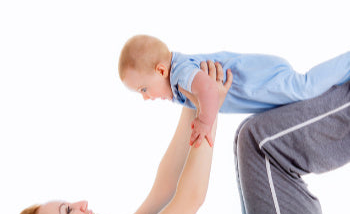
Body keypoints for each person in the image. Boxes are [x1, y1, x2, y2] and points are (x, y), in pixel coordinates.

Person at [15, 61, 348, 214]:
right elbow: (189, 199)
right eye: (68, 210)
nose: (82, 203)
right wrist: (209, 114)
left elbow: (166, 188)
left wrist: (191, 100)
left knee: (247, 142)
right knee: (257, 141)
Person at [118, 34, 350, 147]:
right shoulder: (179, 80)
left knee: (305, 87)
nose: (146, 98)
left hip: (258, 79)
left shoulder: (179, 74)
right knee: (304, 102)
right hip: (258, 87)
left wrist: (204, 122)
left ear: (160, 71)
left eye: (144, 89)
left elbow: (209, 89)